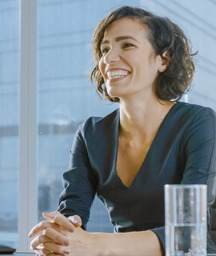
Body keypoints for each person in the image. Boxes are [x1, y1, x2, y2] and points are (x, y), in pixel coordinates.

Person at [28, 6, 216, 256]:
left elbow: (192, 232)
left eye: (126, 45)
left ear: (163, 60)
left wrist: (96, 245)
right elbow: (72, 213)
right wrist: (60, 237)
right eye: (105, 49)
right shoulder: (90, 134)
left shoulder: (199, 122)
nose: (108, 58)